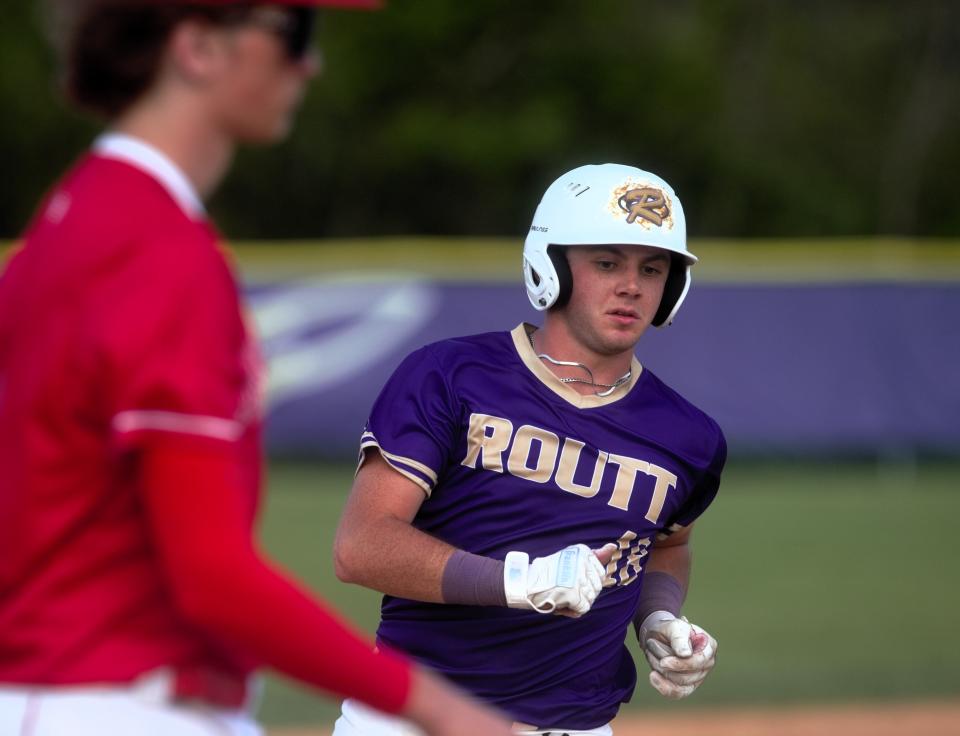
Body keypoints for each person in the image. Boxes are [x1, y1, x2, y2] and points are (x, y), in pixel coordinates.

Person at [0, 2, 514, 735]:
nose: (310, 64)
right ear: (199, 47)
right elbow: (211, 577)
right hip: (121, 701)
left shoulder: (61, 230)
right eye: (293, 34)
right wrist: (444, 711)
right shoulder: (160, 255)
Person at [332, 163, 726, 734]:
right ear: (552, 266)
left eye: (653, 268)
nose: (632, 286)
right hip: (415, 719)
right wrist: (522, 583)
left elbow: (668, 544)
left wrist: (657, 617)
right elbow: (361, 546)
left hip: (577, 726)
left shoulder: (689, 435)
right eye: (607, 262)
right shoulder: (450, 375)